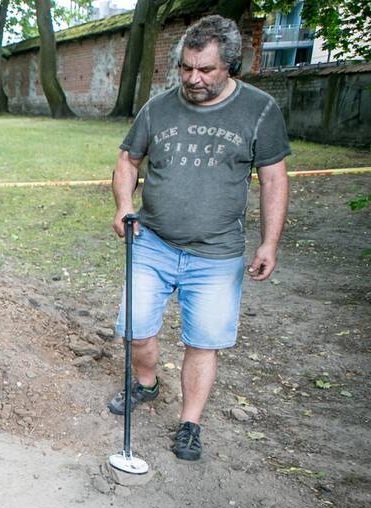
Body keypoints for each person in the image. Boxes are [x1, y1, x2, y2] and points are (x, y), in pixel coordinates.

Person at [108, 14, 290, 461]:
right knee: (135, 327)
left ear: (230, 65)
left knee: (202, 341)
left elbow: (273, 179)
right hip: (152, 242)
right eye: (186, 68)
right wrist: (124, 206)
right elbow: (128, 161)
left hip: (216, 254)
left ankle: (190, 423)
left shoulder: (259, 109)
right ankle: (146, 384)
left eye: (205, 70)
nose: (194, 79)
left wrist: (269, 242)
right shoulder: (159, 107)